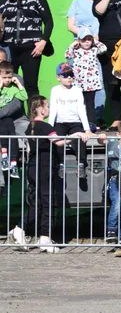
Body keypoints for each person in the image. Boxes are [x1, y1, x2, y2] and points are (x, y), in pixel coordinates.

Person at [0, 0, 54, 98]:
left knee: (31, 85)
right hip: (9, 50)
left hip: (32, 49)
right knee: (8, 85)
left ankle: (33, 118)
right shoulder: (5, 0)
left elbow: (49, 21)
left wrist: (43, 42)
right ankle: (13, 117)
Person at [23, 96, 68, 251]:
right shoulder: (46, 126)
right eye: (47, 106)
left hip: (34, 168)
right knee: (48, 201)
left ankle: (26, 231)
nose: (48, 109)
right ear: (40, 109)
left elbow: (29, 150)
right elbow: (59, 142)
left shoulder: (30, 127)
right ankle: (44, 237)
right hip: (44, 168)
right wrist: (75, 137)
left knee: (38, 203)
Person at [67, 0, 104, 125]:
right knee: (75, 85)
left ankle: (96, 119)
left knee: (98, 83)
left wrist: (96, 39)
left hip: (96, 48)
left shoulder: (103, 3)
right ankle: (75, 119)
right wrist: (84, 35)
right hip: (79, 49)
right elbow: (70, 25)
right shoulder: (76, 3)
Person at [48, 62, 94, 178]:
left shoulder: (77, 90)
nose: (69, 77)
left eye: (71, 74)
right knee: (58, 141)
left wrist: (86, 129)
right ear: (58, 78)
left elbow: (81, 109)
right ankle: (60, 164)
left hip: (75, 122)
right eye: (65, 75)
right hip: (60, 122)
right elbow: (53, 109)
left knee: (81, 139)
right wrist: (49, 127)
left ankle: (81, 164)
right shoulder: (55, 90)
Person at [65, 34, 108, 126]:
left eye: (89, 39)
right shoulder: (76, 51)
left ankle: (91, 124)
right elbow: (67, 55)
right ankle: (78, 124)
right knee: (79, 104)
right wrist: (73, 45)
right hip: (79, 83)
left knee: (90, 105)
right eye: (84, 40)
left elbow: (104, 48)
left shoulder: (94, 50)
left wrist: (95, 41)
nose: (87, 42)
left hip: (90, 83)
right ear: (79, 41)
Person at [0, 61, 28, 182]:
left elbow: (24, 97)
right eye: (4, 77)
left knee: (11, 133)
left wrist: (18, 85)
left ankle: (13, 162)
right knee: (4, 131)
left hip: (7, 118)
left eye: (9, 77)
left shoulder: (13, 88)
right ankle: (5, 156)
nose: (7, 80)